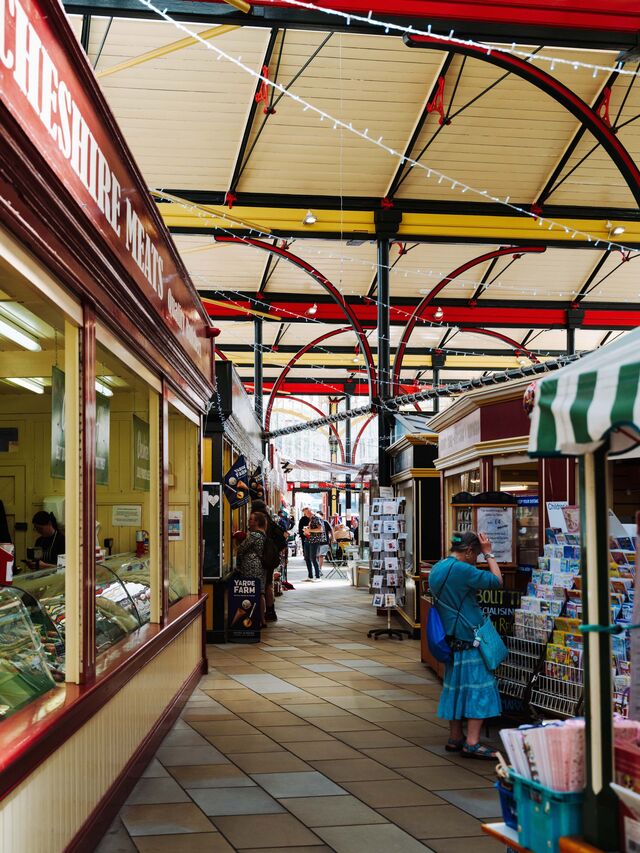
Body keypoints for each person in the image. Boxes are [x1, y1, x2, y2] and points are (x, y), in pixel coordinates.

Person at [429, 530, 503, 760]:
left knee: (455, 688)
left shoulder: (438, 567)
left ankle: (455, 737)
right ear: (469, 551)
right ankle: (472, 742)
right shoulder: (462, 570)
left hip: (452, 638)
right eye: (477, 555)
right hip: (470, 637)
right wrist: (490, 554)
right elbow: (496, 581)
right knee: (479, 688)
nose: (477, 559)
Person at [251, 500, 287, 622]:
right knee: (269, 584)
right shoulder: (270, 521)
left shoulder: (260, 521)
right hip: (269, 558)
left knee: (263, 586)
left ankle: (262, 614)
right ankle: (270, 611)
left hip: (262, 559)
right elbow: (282, 540)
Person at [234, 511, 269, 627]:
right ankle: (262, 619)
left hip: (251, 566)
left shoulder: (254, 535)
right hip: (261, 566)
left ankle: (252, 619)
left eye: (251, 520)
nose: (249, 521)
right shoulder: (263, 533)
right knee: (260, 593)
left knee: (251, 592)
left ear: (257, 522)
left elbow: (241, 549)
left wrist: (238, 565)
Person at [300, 507, 325, 581]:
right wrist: (306, 531)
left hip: (314, 540)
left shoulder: (316, 517)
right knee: (307, 558)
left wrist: (309, 530)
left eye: (307, 512)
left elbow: (320, 529)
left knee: (313, 558)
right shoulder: (311, 518)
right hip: (308, 539)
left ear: (310, 511)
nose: (306, 514)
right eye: (305, 513)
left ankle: (318, 576)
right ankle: (310, 576)